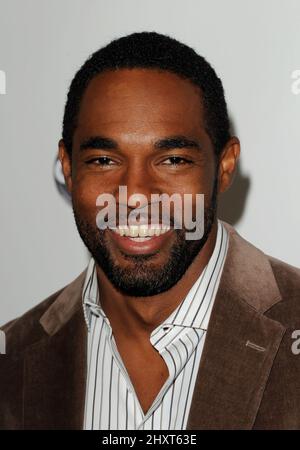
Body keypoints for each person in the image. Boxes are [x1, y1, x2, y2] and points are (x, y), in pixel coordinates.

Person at [0, 31, 299, 430]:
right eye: (104, 160)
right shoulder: (12, 359)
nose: (136, 195)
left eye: (173, 159)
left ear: (225, 166)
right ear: (68, 169)